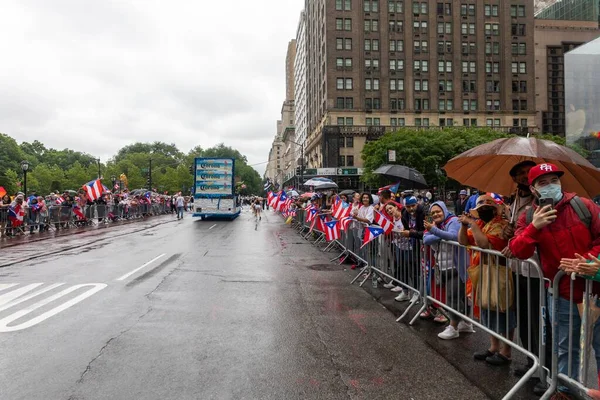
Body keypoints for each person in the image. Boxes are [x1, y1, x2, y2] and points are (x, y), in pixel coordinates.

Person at [510, 163, 600, 399]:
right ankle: (565, 391)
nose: (550, 185)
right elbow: (517, 250)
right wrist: (534, 228)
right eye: (543, 182)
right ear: (534, 189)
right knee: (565, 349)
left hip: (596, 291)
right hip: (562, 295)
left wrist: (589, 261)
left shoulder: (584, 206)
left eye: (554, 180)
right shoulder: (528, 216)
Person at [500, 160, 546, 384]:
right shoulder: (515, 199)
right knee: (524, 318)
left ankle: (544, 369)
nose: (523, 177)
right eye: (518, 174)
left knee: (540, 322)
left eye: (527, 173)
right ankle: (531, 362)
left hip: (538, 271)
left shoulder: (544, 200)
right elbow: (513, 232)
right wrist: (508, 231)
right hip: (518, 268)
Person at [459, 193, 514, 366]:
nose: (484, 211)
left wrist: (472, 224)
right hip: (483, 273)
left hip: (499, 273)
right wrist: (463, 225)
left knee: (503, 311)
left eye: (487, 208)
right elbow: (462, 241)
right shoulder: (481, 224)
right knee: (487, 309)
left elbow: (483, 244)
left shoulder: (501, 225)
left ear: (494, 209)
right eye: (481, 208)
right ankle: (493, 346)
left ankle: (506, 351)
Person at [424, 201, 473, 338]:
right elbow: (425, 239)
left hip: (457, 267)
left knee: (454, 297)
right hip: (444, 267)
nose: (435, 214)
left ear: (444, 210)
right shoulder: (439, 225)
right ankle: (466, 323)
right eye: (432, 213)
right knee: (457, 297)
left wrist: (434, 231)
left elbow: (453, 236)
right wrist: (439, 233)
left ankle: (453, 327)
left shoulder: (453, 221)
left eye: (438, 211)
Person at [394, 196, 425, 302]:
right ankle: (405, 291)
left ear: (417, 204)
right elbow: (406, 228)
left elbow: (426, 232)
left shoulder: (423, 213)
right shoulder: (405, 213)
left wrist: (411, 233)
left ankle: (417, 293)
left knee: (416, 270)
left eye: (413, 206)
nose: (411, 209)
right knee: (403, 268)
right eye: (408, 206)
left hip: (419, 246)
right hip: (406, 245)